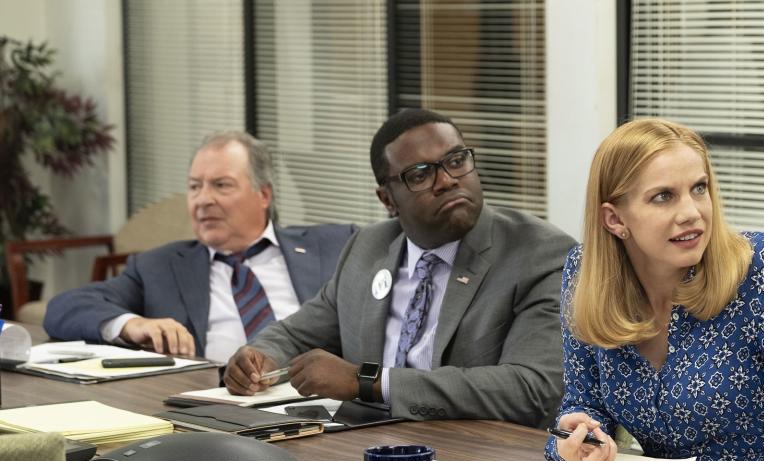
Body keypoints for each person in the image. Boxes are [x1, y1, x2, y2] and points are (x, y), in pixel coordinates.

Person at [224, 109, 576, 429]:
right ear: (387, 199)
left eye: (455, 161)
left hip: (477, 454)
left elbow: (531, 389)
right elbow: (298, 334)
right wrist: (259, 358)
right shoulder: (368, 248)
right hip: (361, 443)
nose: (447, 180)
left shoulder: (538, 254)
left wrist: (368, 381)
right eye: (420, 175)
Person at [545, 118, 764, 461]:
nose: (692, 212)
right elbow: (582, 403)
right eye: (663, 196)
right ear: (615, 219)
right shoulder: (585, 273)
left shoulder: (759, 266)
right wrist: (573, 438)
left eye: (699, 189)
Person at [43, 131, 356, 363]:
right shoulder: (159, 267)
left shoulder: (335, 246)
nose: (203, 200)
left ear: (263, 195)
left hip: (324, 406)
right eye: (195, 187)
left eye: (221, 185)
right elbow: (64, 308)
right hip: (217, 408)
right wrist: (132, 324)